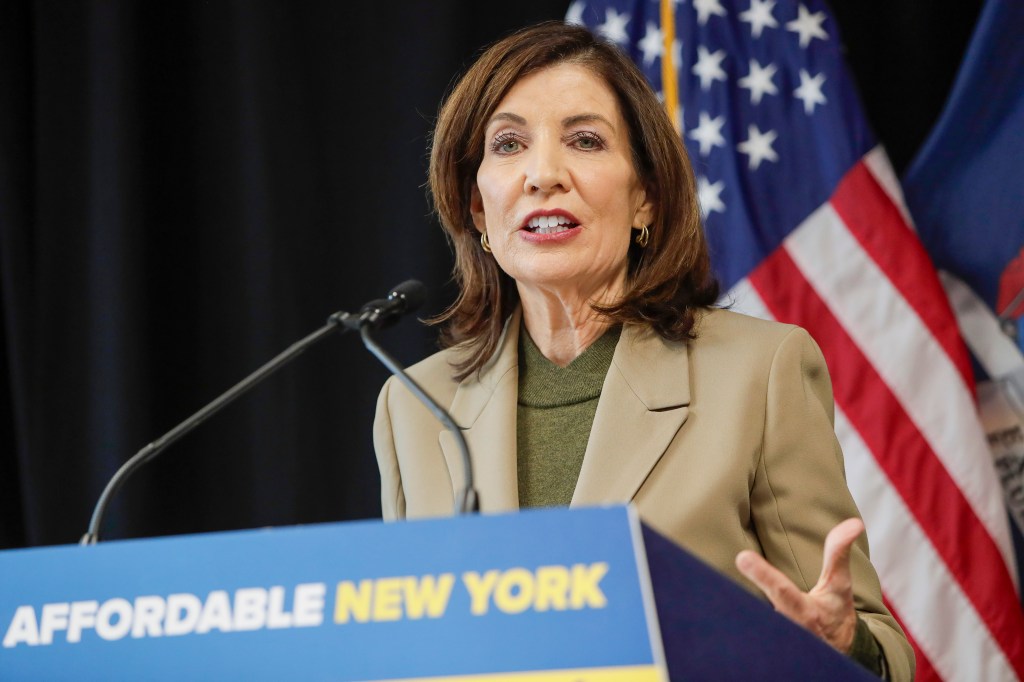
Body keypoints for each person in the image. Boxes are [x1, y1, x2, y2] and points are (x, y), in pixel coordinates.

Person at [373, 21, 914, 681]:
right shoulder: (414, 405)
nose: (544, 174)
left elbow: (877, 650)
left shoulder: (757, 374)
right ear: (478, 210)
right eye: (509, 144)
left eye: (585, 140)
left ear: (646, 199)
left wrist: (838, 645)